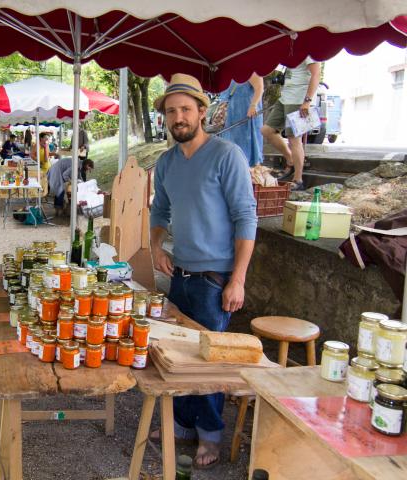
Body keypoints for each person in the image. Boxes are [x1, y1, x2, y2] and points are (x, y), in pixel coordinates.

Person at [150, 74, 257, 468]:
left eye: (185, 109)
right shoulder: (166, 162)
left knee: (210, 364)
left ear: (201, 112)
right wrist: (155, 245)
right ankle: (181, 424)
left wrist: (238, 279)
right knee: (177, 357)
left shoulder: (227, 155)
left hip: (216, 280)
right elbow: (159, 209)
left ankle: (210, 436)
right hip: (180, 275)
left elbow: (246, 217)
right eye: (171, 111)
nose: (178, 117)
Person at [261, 57, 320, 191]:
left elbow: (316, 75)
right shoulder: (293, 51)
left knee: (294, 139)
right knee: (267, 130)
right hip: (285, 97)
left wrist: (307, 101)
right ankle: (290, 158)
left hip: (298, 99)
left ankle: (298, 179)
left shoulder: (309, 52)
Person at [218, 73, 264, 167]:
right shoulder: (228, 73)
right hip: (231, 116)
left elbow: (259, 88)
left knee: (247, 147)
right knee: (229, 147)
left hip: (246, 114)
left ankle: (250, 175)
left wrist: (253, 105)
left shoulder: (250, 70)